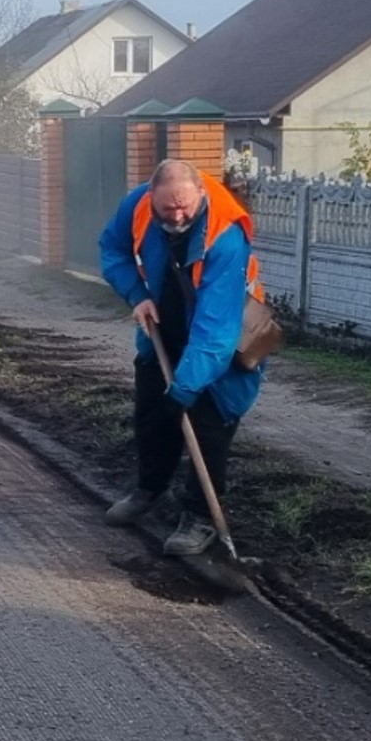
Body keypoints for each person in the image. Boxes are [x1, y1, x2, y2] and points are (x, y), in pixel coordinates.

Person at [97, 159, 266, 555]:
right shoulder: (137, 205)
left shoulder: (226, 235)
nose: (176, 216)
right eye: (167, 209)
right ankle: (149, 489)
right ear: (151, 197)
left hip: (224, 335)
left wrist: (185, 389)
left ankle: (201, 516)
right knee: (151, 414)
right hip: (164, 324)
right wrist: (137, 295)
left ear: (201, 194)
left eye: (185, 207)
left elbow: (215, 333)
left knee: (208, 422)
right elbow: (113, 249)